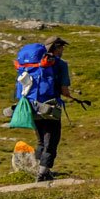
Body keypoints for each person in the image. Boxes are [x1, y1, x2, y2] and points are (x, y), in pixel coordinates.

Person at [33, 36, 87, 182]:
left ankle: (36, 168)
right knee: (51, 139)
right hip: (50, 106)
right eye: (61, 47)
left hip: (32, 105)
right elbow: (64, 90)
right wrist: (70, 96)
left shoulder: (34, 64)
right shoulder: (61, 64)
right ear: (56, 48)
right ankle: (43, 173)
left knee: (40, 140)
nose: (63, 49)